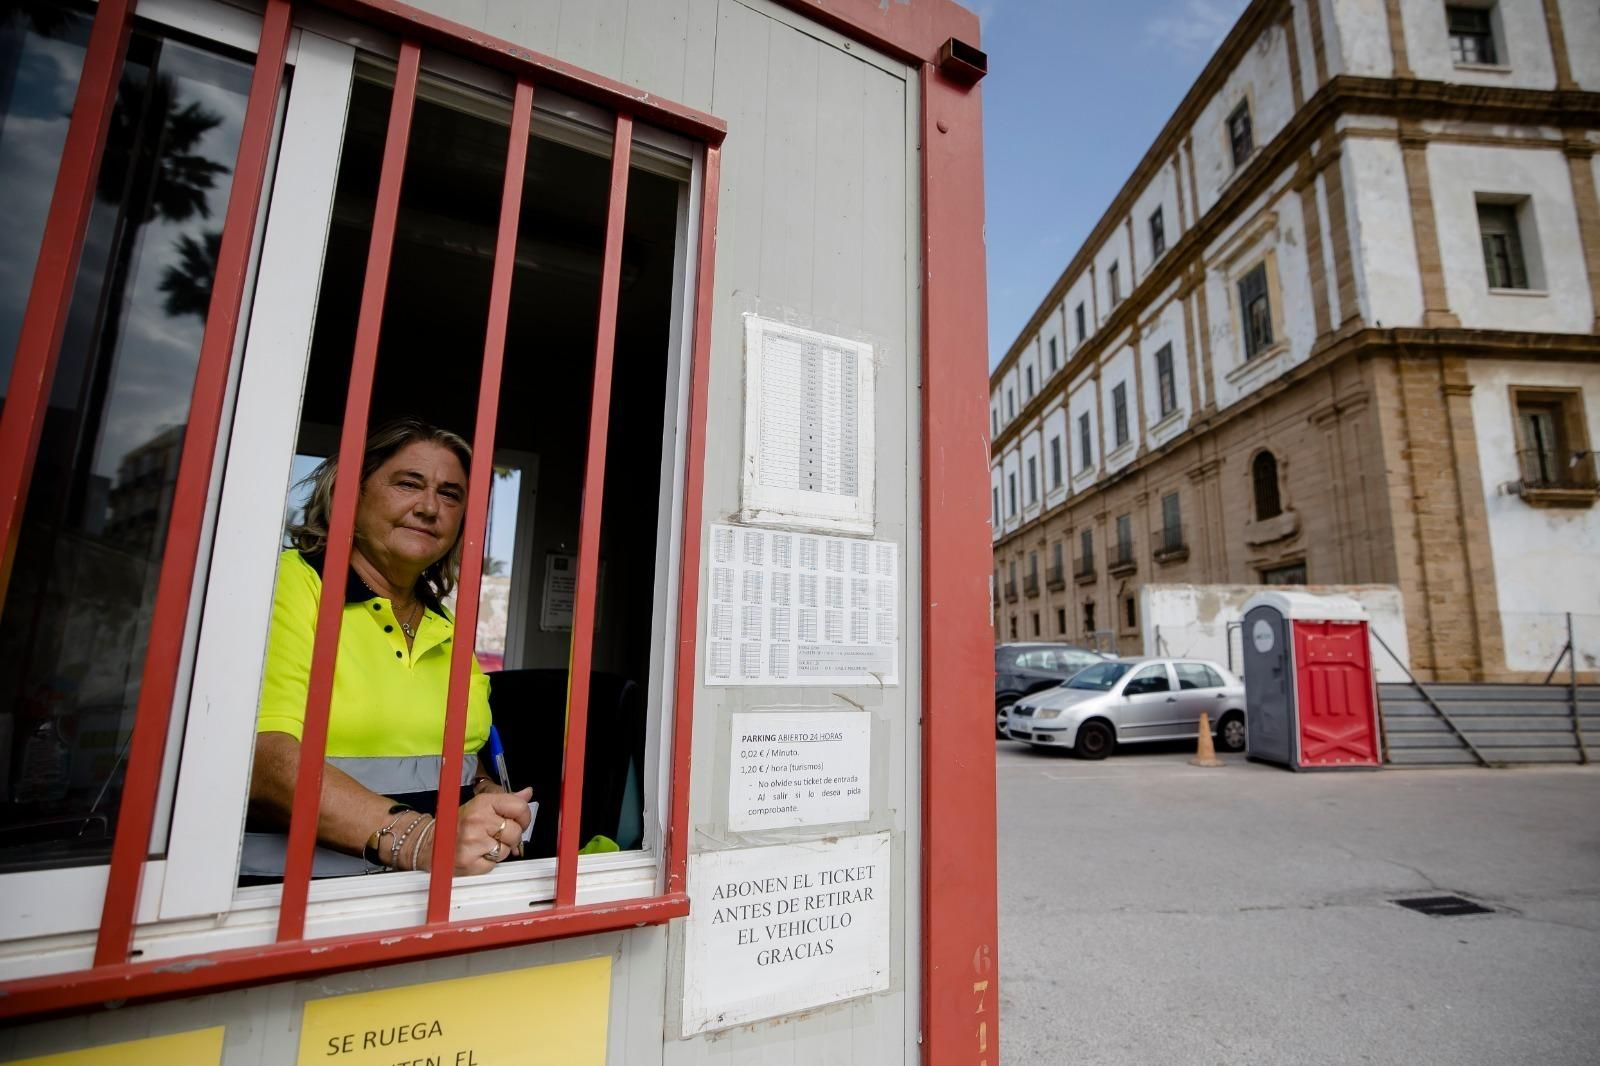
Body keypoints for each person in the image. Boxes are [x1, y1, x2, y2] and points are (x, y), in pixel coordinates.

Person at [245, 418, 532, 878]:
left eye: (450, 494)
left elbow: (461, 750)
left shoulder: (444, 623)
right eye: (408, 484)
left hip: (423, 897)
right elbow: (263, 761)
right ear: (350, 493)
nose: (429, 507)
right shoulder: (291, 582)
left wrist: (481, 790)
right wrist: (422, 839)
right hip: (289, 899)